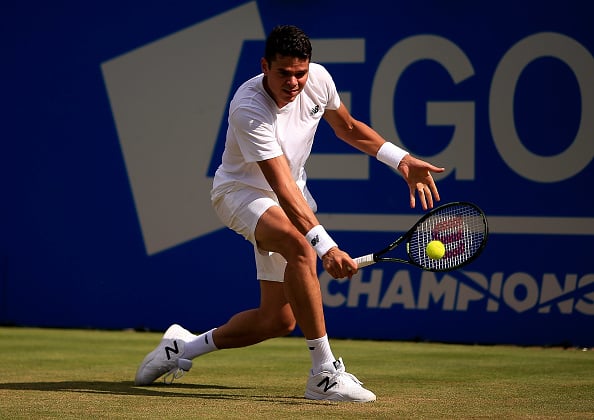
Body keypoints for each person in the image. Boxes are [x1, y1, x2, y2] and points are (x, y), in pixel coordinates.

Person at [134, 24, 444, 402]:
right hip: (241, 194)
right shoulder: (249, 108)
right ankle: (323, 375)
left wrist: (402, 161)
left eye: (301, 72)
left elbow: (347, 127)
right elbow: (281, 186)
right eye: (284, 73)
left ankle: (181, 348)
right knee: (300, 245)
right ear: (265, 66)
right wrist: (326, 248)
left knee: (277, 320)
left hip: (289, 198)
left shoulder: (318, 80)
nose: (294, 82)